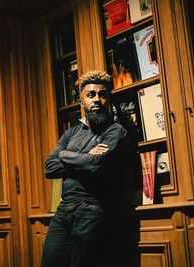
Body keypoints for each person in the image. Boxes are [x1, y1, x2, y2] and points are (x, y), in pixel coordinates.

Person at [40, 70, 129, 267]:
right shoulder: (70, 133)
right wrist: (86, 156)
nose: (97, 99)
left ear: (108, 100)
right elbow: (50, 167)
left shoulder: (115, 131)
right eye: (91, 95)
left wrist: (66, 156)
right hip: (63, 210)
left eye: (102, 94)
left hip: (92, 209)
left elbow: (96, 166)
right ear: (82, 103)